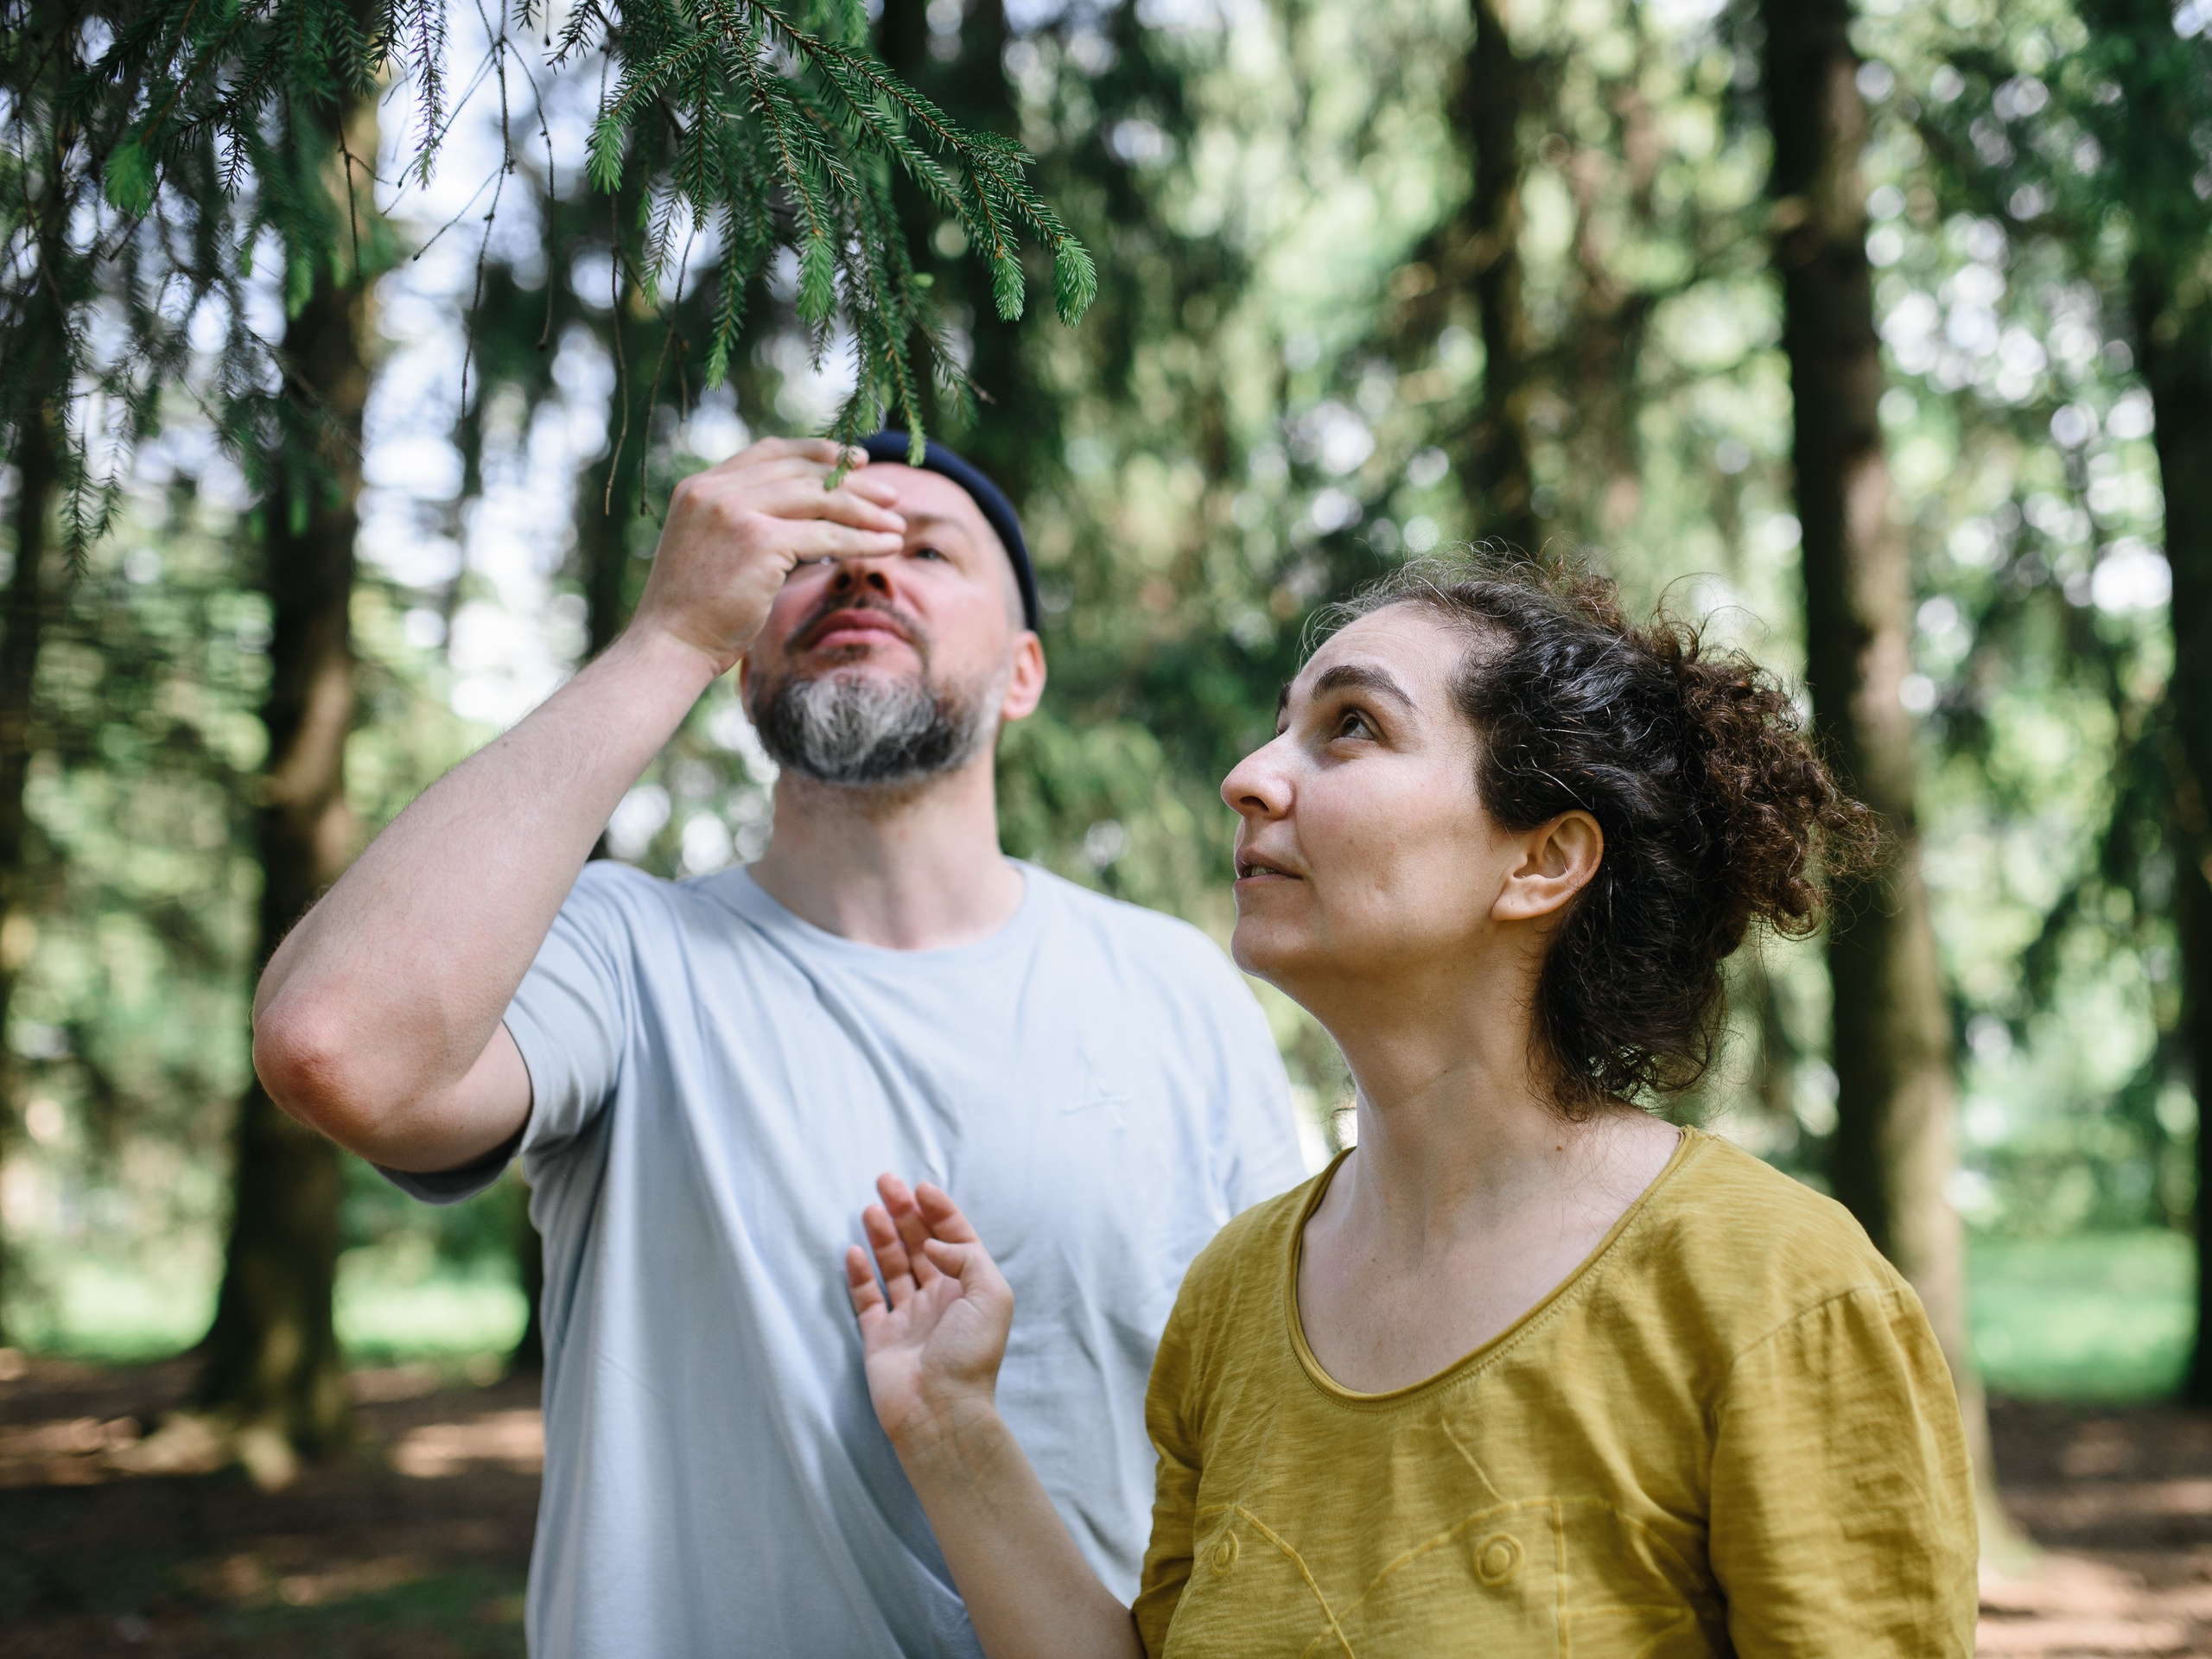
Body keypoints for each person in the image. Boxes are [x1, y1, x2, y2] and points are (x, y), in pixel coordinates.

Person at [250, 434, 1306, 1657]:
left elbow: (1268, 1435)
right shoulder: (621, 955)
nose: (865, 574)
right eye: (817, 553)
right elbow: (337, 1046)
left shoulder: (1177, 986)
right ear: (743, 657)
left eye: (926, 551)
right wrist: (665, 637)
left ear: (1023, 674)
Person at [847, 557, 1980, 1657]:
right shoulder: (1233, 1298)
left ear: (1543, 859)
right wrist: (952, 1430)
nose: (1248, 776)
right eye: (1284, 724)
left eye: (1352, 727)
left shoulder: (1773, 1288)